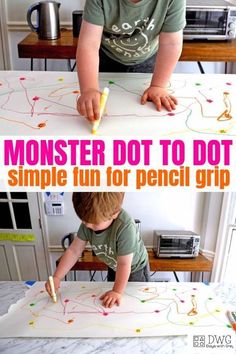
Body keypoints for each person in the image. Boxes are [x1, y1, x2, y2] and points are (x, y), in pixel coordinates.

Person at [76, 0, 186, 121]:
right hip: (106, 59)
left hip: (147, 60)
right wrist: (89, 89)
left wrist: (158, 86)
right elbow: (89, 45)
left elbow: (171, 44)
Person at [45, 192, 150, 308]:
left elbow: (124, 264)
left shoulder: (125, 226)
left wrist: (117, 291)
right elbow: (73, 251)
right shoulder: (89, 222)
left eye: (94, 223)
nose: (88, 225)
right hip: (114, 266)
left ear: (115, 213)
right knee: (112, 303)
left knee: (134, 304)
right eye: (84, 220)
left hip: (136, 269)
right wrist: (57, 277)